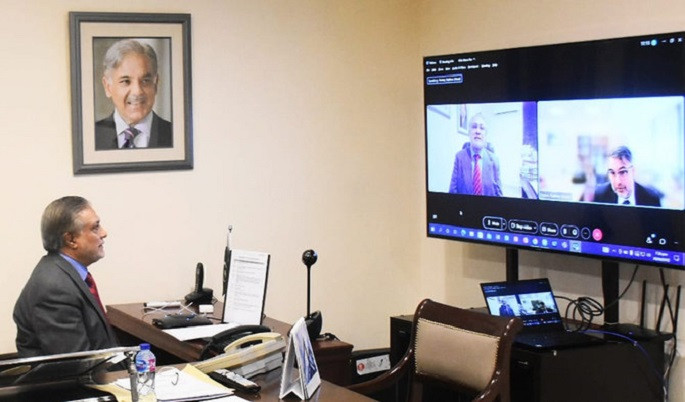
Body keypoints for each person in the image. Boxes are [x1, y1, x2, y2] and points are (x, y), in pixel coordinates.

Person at [13, 196, 118, 357]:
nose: (104, 233)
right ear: (71, 239)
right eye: (95, 228)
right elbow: (77, 364)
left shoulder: (63, 272)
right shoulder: (54, 288)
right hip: (75, 381)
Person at [95, 39, 172, 150]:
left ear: (155, 85)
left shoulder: (176, 134)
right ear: (108, 87)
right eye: (126, 81)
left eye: (145, 80)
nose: (137, 91)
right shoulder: (91, 137)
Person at [449, 113, 503, 196]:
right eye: (474, 127)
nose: (478, 131)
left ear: (486, 134)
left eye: (482, 128)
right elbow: (452, 193)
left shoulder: (495, 160)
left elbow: (499, 195)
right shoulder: (459, 157)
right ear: (469, 132)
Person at [592, 146, 661, 206]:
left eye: (622, 172)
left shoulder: (651, 198)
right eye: (612, 173)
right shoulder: (599, 196)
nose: (618, 181)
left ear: (633, 171)